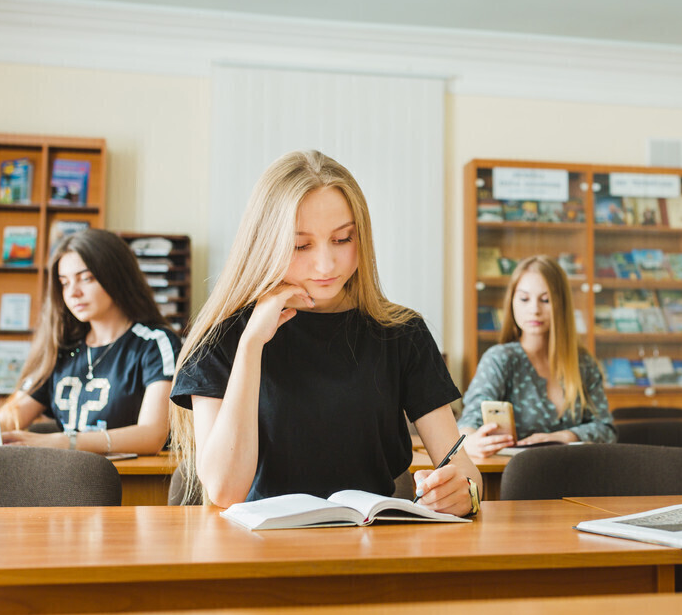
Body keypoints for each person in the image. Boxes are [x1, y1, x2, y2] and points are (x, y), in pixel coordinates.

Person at [169, 150, 481, 513]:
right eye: (301, 245)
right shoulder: (222, 336)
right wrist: (251, 343)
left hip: (373, 538)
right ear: (265, 244)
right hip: (260, 542)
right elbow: (225, 491)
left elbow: (465, 472)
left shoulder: (402, 332)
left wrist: (463, 492)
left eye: (343, 239)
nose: (325, 264)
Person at [0, 228, 182, 455]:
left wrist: (65, 442)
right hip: (67, 472)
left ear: (116, 276)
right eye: (64, 283)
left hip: (131, 476)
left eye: (86, 279)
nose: (73, 293)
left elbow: (152, 435)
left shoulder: (156, 343)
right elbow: (11, 418)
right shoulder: (61, 348)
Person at [459, 255, 615, 457]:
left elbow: (606, 430)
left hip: (576, 471)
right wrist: (470, 441)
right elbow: (468, 422)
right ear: (512, 302)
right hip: (516, 472)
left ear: (561, 305)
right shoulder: (500, 359)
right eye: (524, 299)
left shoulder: (583, 363)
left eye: (546, 300)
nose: (534, 310)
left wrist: (562, 437)